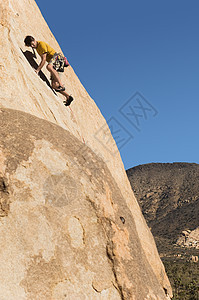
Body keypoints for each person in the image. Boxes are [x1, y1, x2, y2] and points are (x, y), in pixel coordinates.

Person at [24, 36, 73, 106]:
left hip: (57, 58)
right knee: (54, 86)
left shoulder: (41, 45)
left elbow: (43, 59)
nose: (32, 46)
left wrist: (37, 70)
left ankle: (61, 84)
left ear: (35, 40)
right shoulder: (37, 47)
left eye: (33, 44)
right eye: (31, 45)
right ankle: (68, 97)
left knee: (49, 66)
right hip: (56, 63)